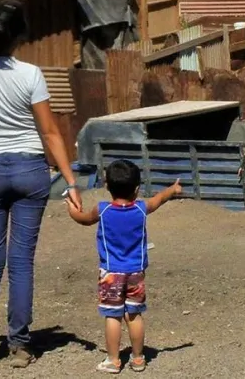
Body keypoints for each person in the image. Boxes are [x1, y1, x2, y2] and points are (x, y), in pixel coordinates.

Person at [0, 0, 82, 370]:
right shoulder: (31, 75)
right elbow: (50, 131)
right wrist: (71, 181)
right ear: (19, 36)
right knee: (21, 263)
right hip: (30, 172)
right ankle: (20, 346)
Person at [65, 160, 182, 374]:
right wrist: (173, 189)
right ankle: (137, 359)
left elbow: (83, 219)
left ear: (107, 186)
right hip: (136, 272)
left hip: (111, 272)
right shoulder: (141, 209)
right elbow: (159, 199)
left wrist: (72, 209)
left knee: (113, 316)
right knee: (134, 315)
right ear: (137, 189)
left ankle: (113, 360)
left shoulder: (103, 210)